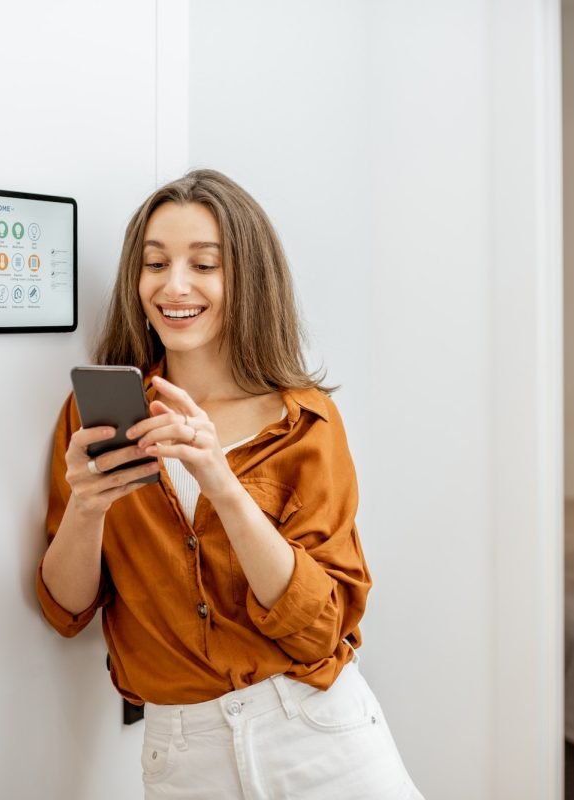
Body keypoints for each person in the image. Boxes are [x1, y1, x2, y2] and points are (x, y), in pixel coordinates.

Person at [36, 169, 424, 800]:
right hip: (183, 755)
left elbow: (320, 628)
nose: (174, 285)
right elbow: (65, 609)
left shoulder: (305, 422)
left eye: (204, 264)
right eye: (154, 263)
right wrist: (86, 506)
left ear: (247, 277)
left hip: (318, 735)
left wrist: (220, 482)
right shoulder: (96, 416)